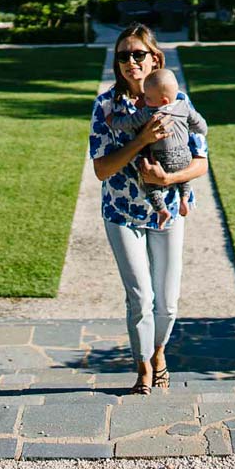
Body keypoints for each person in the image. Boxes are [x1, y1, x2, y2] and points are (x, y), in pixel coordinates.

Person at [88, 23, 209, 395]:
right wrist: (140, 139)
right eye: (122, 55)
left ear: (155, 57)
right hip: (122, 213)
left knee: (168, 303)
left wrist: (167, 181)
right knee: (140, 297)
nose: (129, 62)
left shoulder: (178, 101)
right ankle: (143, 366)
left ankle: (159, 353)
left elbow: (201, 160)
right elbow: (101, 169)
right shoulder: (107, 106)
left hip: (168, 213)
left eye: (137, 54)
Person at [107, 68, 205, 228]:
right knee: (184, 178)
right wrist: (197, 129)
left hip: (161, 159)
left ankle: (161, 210)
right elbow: (201, 125)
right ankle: (184, 198)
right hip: (184, 157)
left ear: (164, 101)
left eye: (148, 97)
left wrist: (113, 121)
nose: (145, 99)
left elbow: (129, 122)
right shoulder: (184, 106)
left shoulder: (150, 112)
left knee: (149, 183)